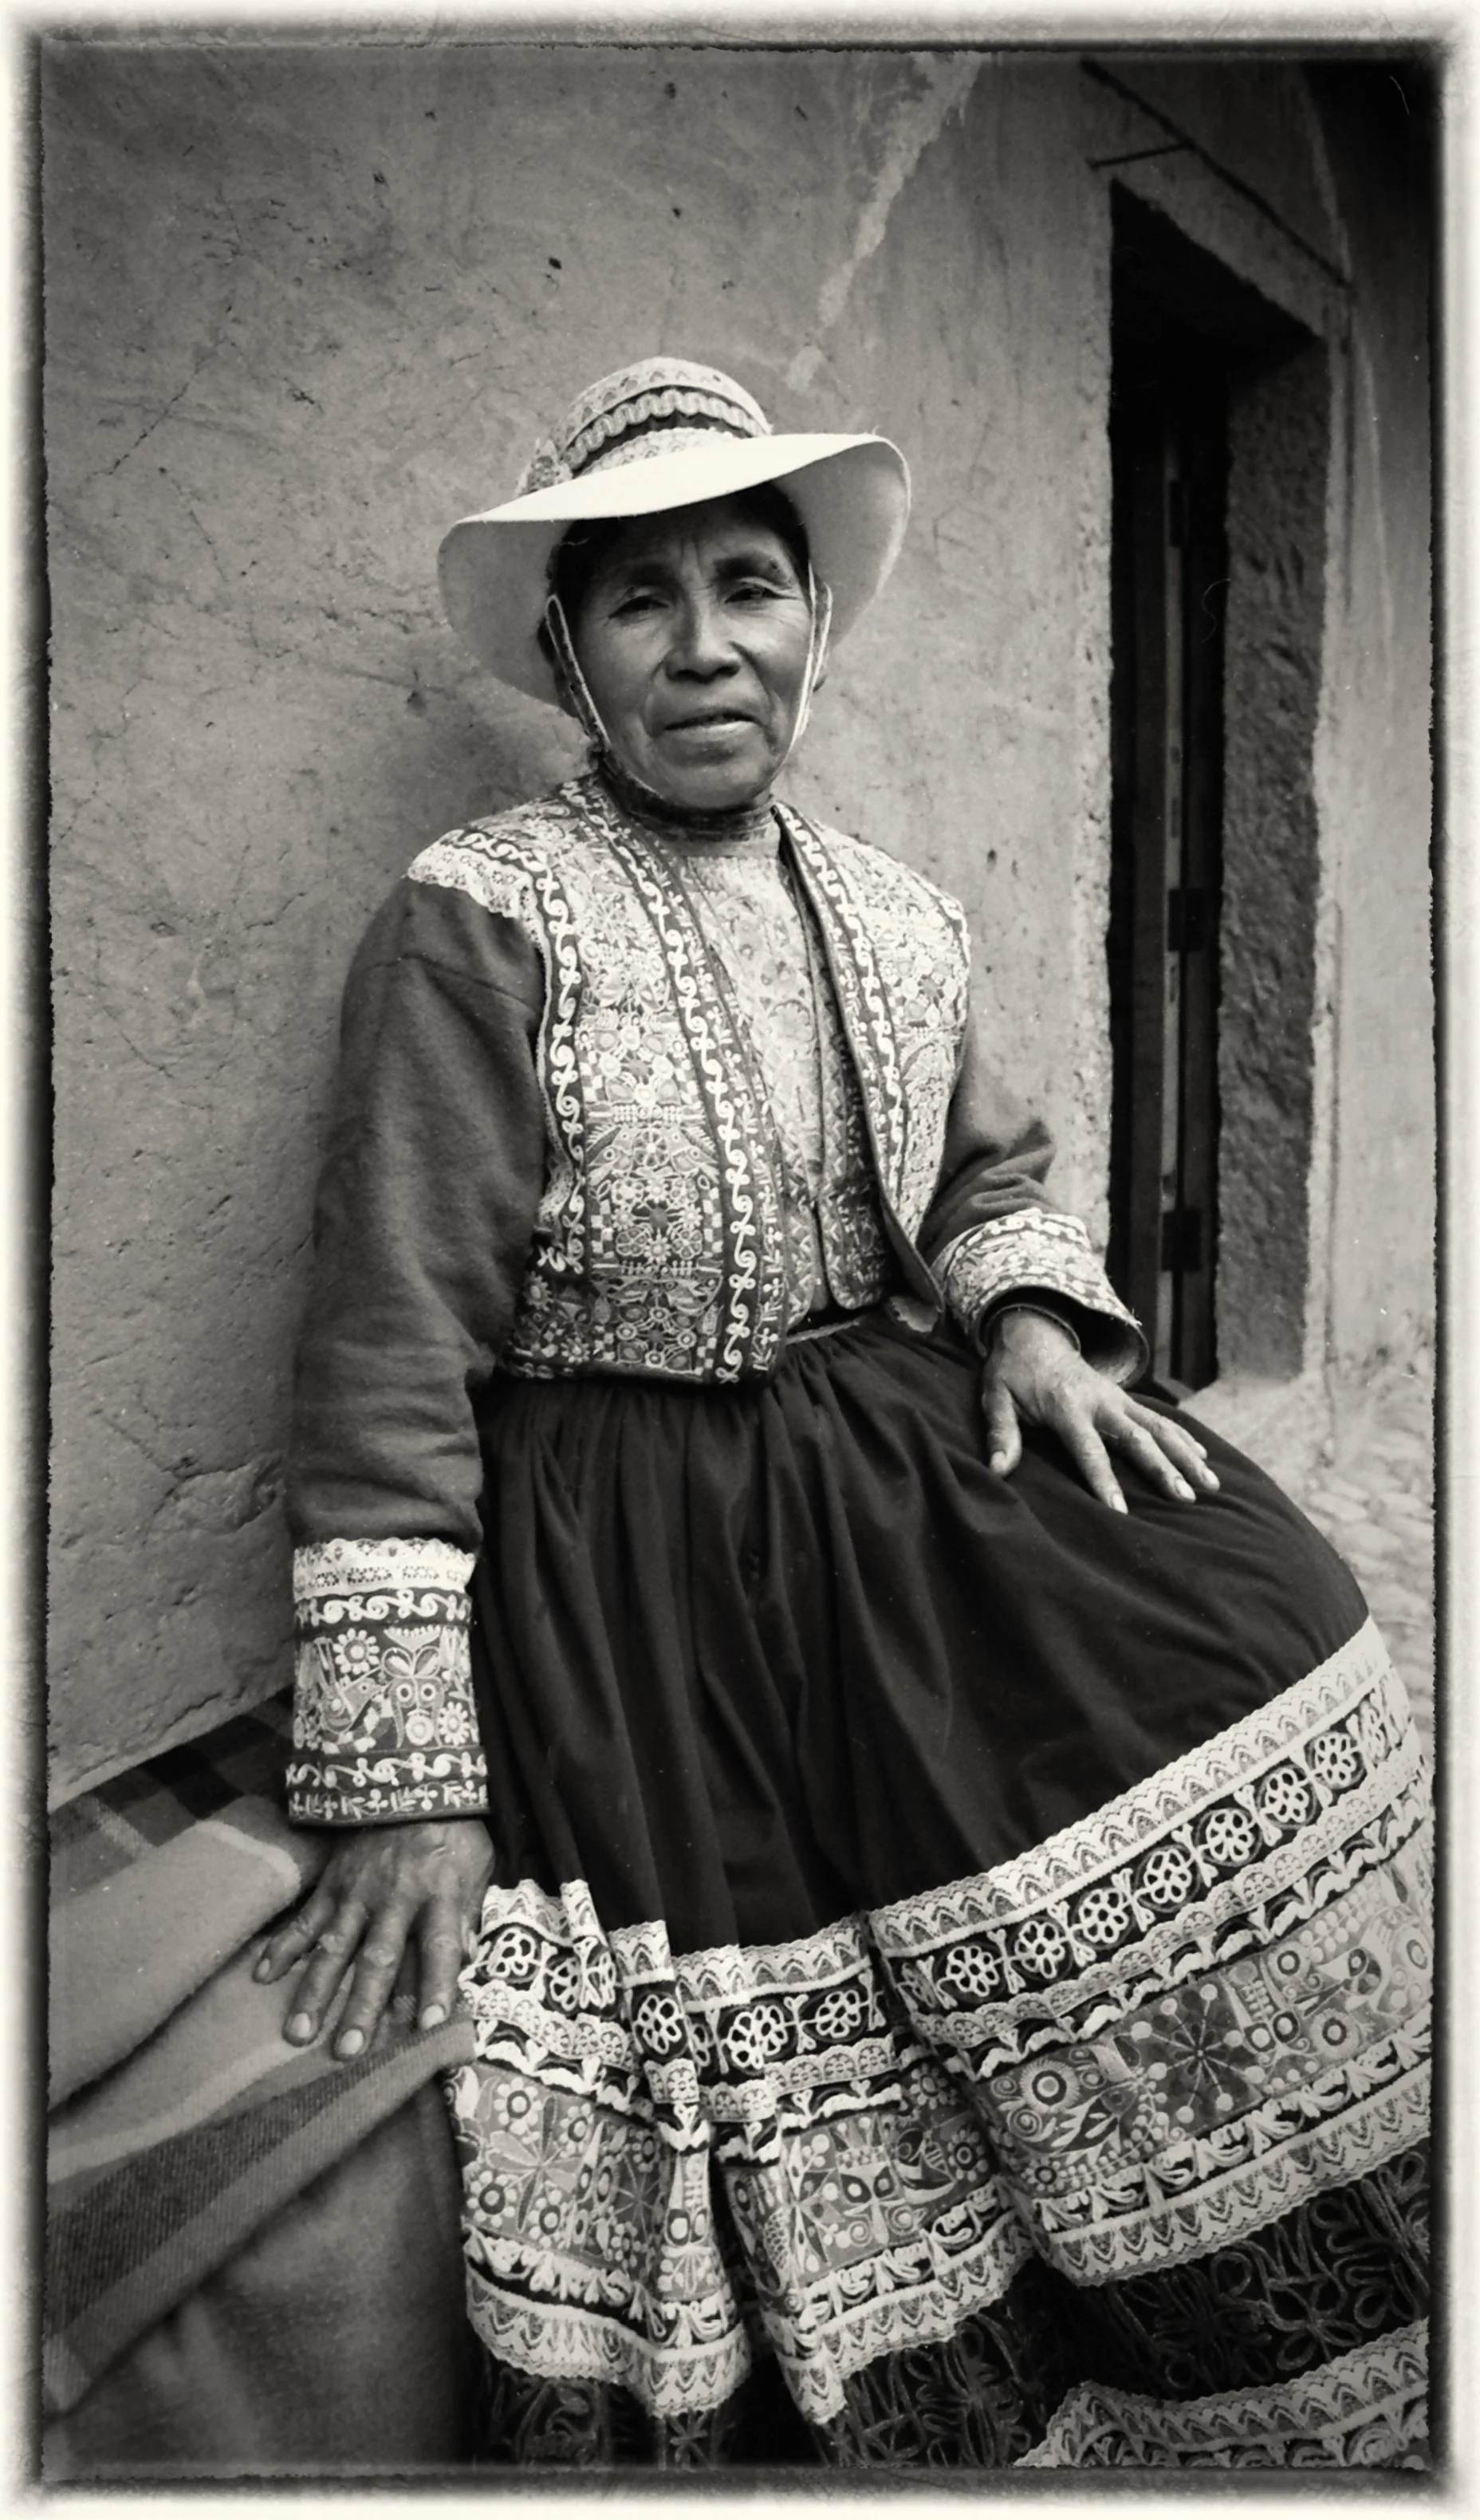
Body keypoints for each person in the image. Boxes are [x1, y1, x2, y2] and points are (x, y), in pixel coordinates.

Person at [258, 359, 1431, 2469]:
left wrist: (1038, 1333)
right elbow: (391, 1337)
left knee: (1267, 1607)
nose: (705, 644)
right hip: (623, 1533)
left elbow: (990, 1186)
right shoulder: (479, 914)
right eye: (643, 602)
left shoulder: (901, 922)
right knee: (741, 1995)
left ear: (813, 623)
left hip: (876, 1458)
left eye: (749, 586)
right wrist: (405, 1781)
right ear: (568, 653)